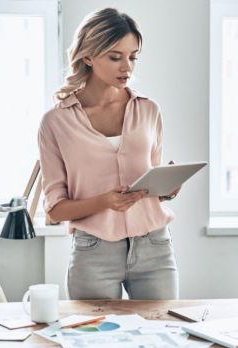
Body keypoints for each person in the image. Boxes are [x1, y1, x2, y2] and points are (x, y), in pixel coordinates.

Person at [38, 8, 180, 300]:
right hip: (94, 253)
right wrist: (105, 202)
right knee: (91, 341)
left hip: (154, 247)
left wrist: (166, 188)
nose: (126, 67)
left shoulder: (149, 110)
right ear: (88, 56)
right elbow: (54, 209)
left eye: (133, 57)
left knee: (165, 337)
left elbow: (147, 180)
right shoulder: (56, 122)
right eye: (115, 57)